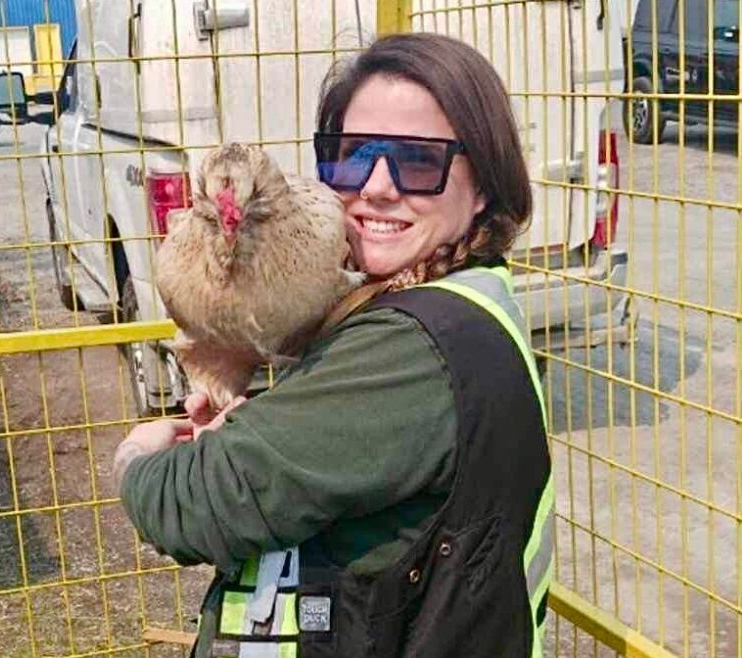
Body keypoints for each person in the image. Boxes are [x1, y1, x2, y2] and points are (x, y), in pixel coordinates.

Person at [114, 32, 554, 658]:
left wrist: (138, 455)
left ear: (483, 185)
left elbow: (198, 504)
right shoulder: (457, 295)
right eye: (353, 156)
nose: (376, 187)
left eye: (419, 161)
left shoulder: (415, 347)